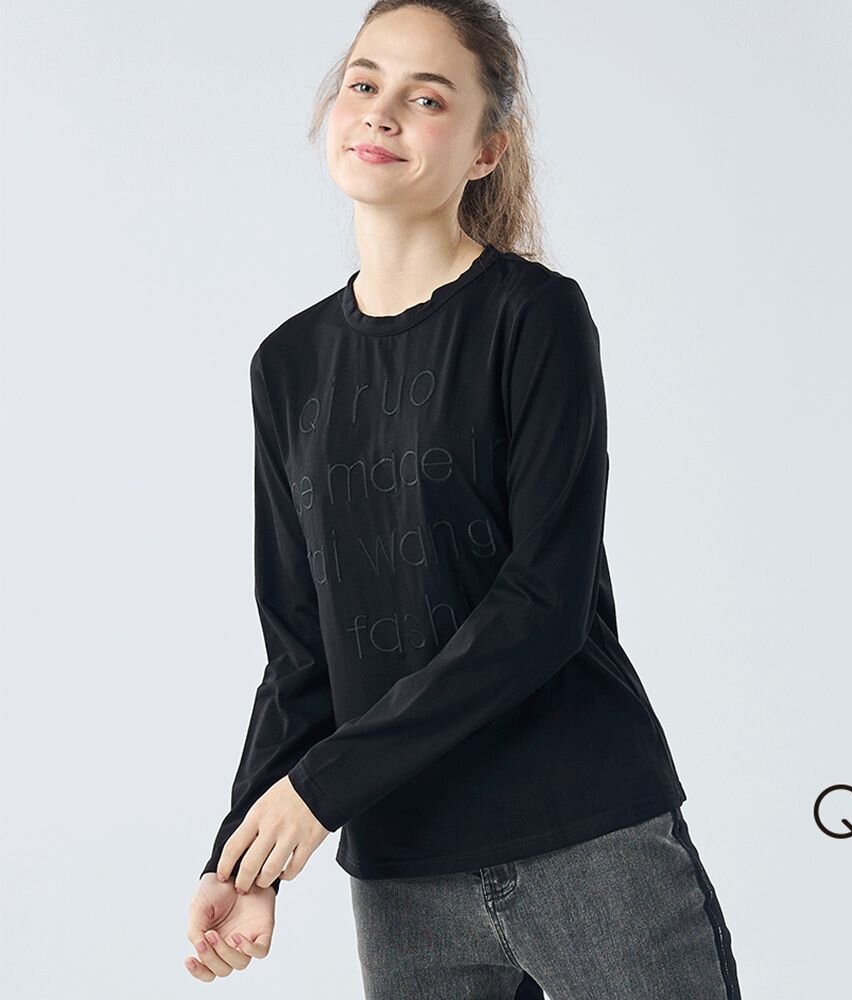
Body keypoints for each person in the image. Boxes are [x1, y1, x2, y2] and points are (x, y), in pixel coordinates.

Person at [183, 2, 742, 997]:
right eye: (365, 83)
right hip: (403, 874)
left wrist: (322, 789)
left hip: (585, 838)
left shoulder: (534, 318)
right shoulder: (288, 365)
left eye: (427, 97)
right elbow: (303, 649)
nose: (382, 111)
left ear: (487, 150)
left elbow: (543, 604)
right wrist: (244, 858)